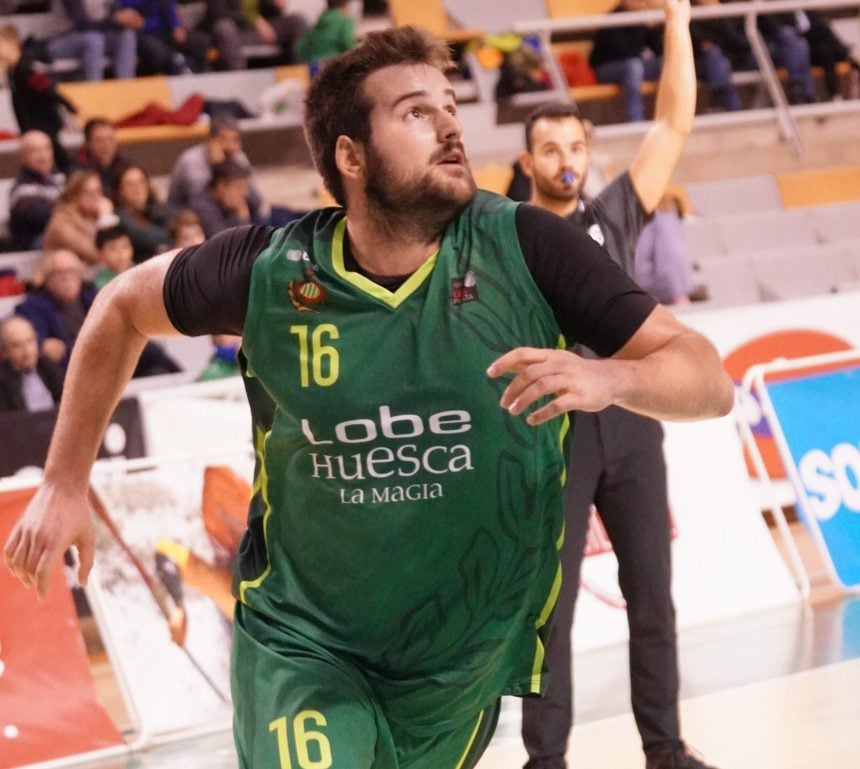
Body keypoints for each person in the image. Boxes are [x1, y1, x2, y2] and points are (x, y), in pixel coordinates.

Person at [3, 25, 733, 769]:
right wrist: (64, 480)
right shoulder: (269, 270)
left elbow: (706, 375)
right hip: (305, 642)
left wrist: (613, 376)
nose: (450, 126)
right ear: (350, 156)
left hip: (454, 666)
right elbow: (121, 304)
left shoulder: (527, 246)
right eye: (417, 113)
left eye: (451, 106)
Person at [517, 1, 718, 768]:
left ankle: (665, 750)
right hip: (551, 435)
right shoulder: (509, 232)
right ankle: (546, 761)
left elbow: (672, 124)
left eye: (574, 144)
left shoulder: (614, 215)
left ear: (587, 150)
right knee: (550, 614)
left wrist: (676, 18)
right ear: (529, 160)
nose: (564, 157)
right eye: (549, 147)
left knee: (654, 598)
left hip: (633, 421)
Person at [14, 248, 180, 376]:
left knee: (150, 353)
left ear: (80, 274)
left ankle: (181, 379)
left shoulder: (93, 295)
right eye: (59, 273)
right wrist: (41, 346)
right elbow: (30, 342)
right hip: (71, 366)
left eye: (71, 272)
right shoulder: (31, 307)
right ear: (46, 278)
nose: (66, 278)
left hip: (108, 354)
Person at [0, 24, 78, 173]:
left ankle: (72, 179)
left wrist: (69, 106)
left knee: (58, 158)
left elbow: (47, 89)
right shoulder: (13, 71)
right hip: (32, 125)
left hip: (45, 123)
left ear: (12, 42)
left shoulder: (26, 68)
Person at [166, 113, 264, 212]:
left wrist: (234, 166)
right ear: (210, 140)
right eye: (223, 139)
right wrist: (218, 166)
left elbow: (256, 200)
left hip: (224, 213)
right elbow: (201, 201)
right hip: (187, 216)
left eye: (235, 140)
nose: (230, 146)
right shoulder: (191, 160)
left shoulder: (239, 158)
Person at [588, 0, 665, 122]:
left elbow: (658, 49)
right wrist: (641, 26)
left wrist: (656, 28)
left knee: (665, 63)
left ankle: (667, 113)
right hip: (605, 68)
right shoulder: (613, 19)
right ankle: (636, 119)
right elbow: (624, 52)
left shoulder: (641, 19)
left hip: (635, 67)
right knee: (633, 66)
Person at [39, 0, 138, 81]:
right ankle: (94, 92)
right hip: (58, 42)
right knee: (93, 40)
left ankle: (125, 88)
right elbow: (82, 25)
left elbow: (115, 14)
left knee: (127, 36)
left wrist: (127, 18)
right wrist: (114, 20)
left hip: (92, 39)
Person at [201, 0, 307, 70]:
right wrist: (255, 20)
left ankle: (301, 72)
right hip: (237, 32)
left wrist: (275, 5)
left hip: (262, 30)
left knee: (298, 21)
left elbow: (270, 14)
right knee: (224, 28)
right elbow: (219, 14)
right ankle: (238, 81)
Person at [114, 0, 212, 75]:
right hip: (142, 32)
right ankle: (180, 67)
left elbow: (170, 6)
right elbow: (124, 11)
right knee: (158, 52)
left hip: (165, 30)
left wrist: (176, 26)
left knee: (201, 41)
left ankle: (193, 71)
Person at [8, 130, 67, 251]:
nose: (43, 155)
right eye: (35, 150)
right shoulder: (21, 191)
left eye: (47, 148)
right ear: (23, 157)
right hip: (36, 247)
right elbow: (50, 218)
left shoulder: (60, 178)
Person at [43, 170, 114, 266]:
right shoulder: (61, 222)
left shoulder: (94, 216)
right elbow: (94, 254)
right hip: (64, 276)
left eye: (98, 191)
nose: (96, 197)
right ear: (74, 195)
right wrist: (105, 218)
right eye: (89, 193)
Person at [634, 193, 694, 305]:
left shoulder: (656, 218)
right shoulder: (671, 217)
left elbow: (642, 252)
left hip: (663, 280)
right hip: (682, 281)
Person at [0, 314, 64, 413]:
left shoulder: (46, 364)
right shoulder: (3, 380)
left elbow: (65, 398)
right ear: (5, 351)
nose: (27, 352)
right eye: (17, 346)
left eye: (30, 341)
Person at [113, 164, 175, 262]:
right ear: (120, 191)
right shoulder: (119, 217)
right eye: (130, 184)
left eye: (141, 182)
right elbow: (145, 238)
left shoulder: (159, 210)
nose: (137, 188)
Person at [190, 159, 262, 238]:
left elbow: (257, 203)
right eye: (239, 187)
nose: (245, 193)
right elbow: (223, 243)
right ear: (221, 187)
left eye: (245, 187)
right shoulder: (202, 206)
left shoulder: (237, 200)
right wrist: (241, 218)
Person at [73, 118, 133, 198]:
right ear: (87, 143)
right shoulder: (77, 167)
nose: (106, 145)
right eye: (99, 140)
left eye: (110, 139)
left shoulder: (125, 163)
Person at [296, 0, 357, 65]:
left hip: (314, 64)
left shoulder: (321, 18)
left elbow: (302, 45)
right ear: (345, 4)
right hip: (333, 64)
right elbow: (348, 44)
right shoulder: (345, 20)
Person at [92, 222, 134, 289]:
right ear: (101, 253)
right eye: (113, 249)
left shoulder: (141, 273)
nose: (121, 254)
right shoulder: (97, 283)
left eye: (125, 246)